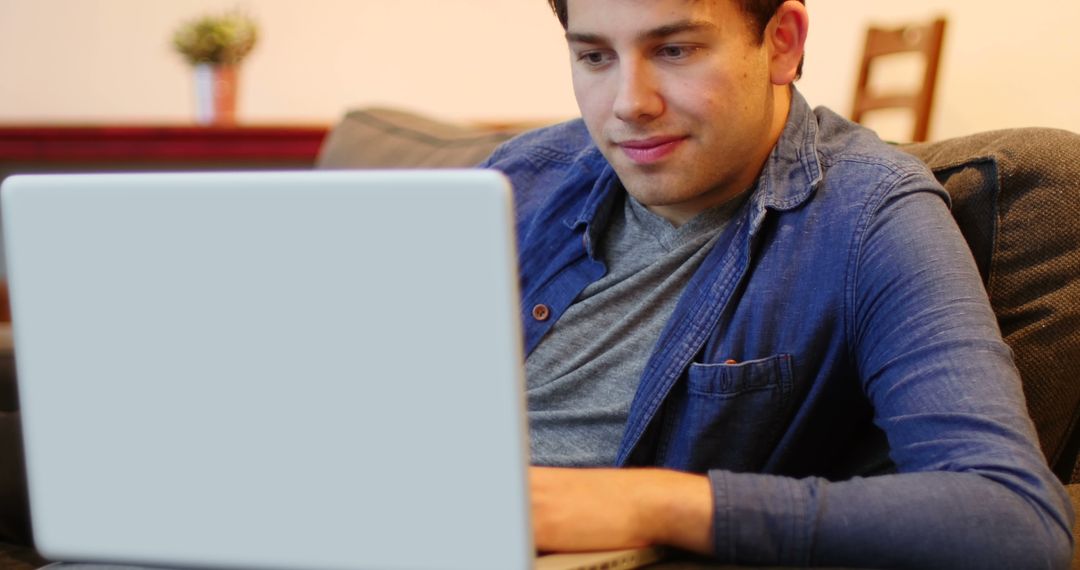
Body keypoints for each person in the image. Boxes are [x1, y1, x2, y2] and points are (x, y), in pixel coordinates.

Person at [479, 0, 1074, 567]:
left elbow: (1014, 519)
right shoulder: (519, 177)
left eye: (676, 50)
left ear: (783, 44)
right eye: (595, 57)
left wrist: (652, 505)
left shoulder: (869, 215)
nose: (629, 103)